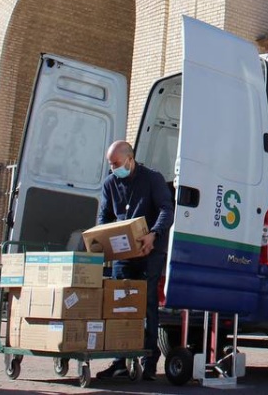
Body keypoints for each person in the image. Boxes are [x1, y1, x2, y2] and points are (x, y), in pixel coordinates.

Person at [95, 140, 174, 381]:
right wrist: (103, 238)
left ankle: (148, 362)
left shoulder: (152, 179)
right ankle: (119, 359)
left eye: (116, 164)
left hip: (149, 251)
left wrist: (154, 234)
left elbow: (166, 209)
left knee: (147, 304)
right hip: (123, 254)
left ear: (130, 159)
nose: (113, 169)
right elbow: (104, 216)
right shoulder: (110, 184)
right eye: (110, 165)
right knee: (119, 304)